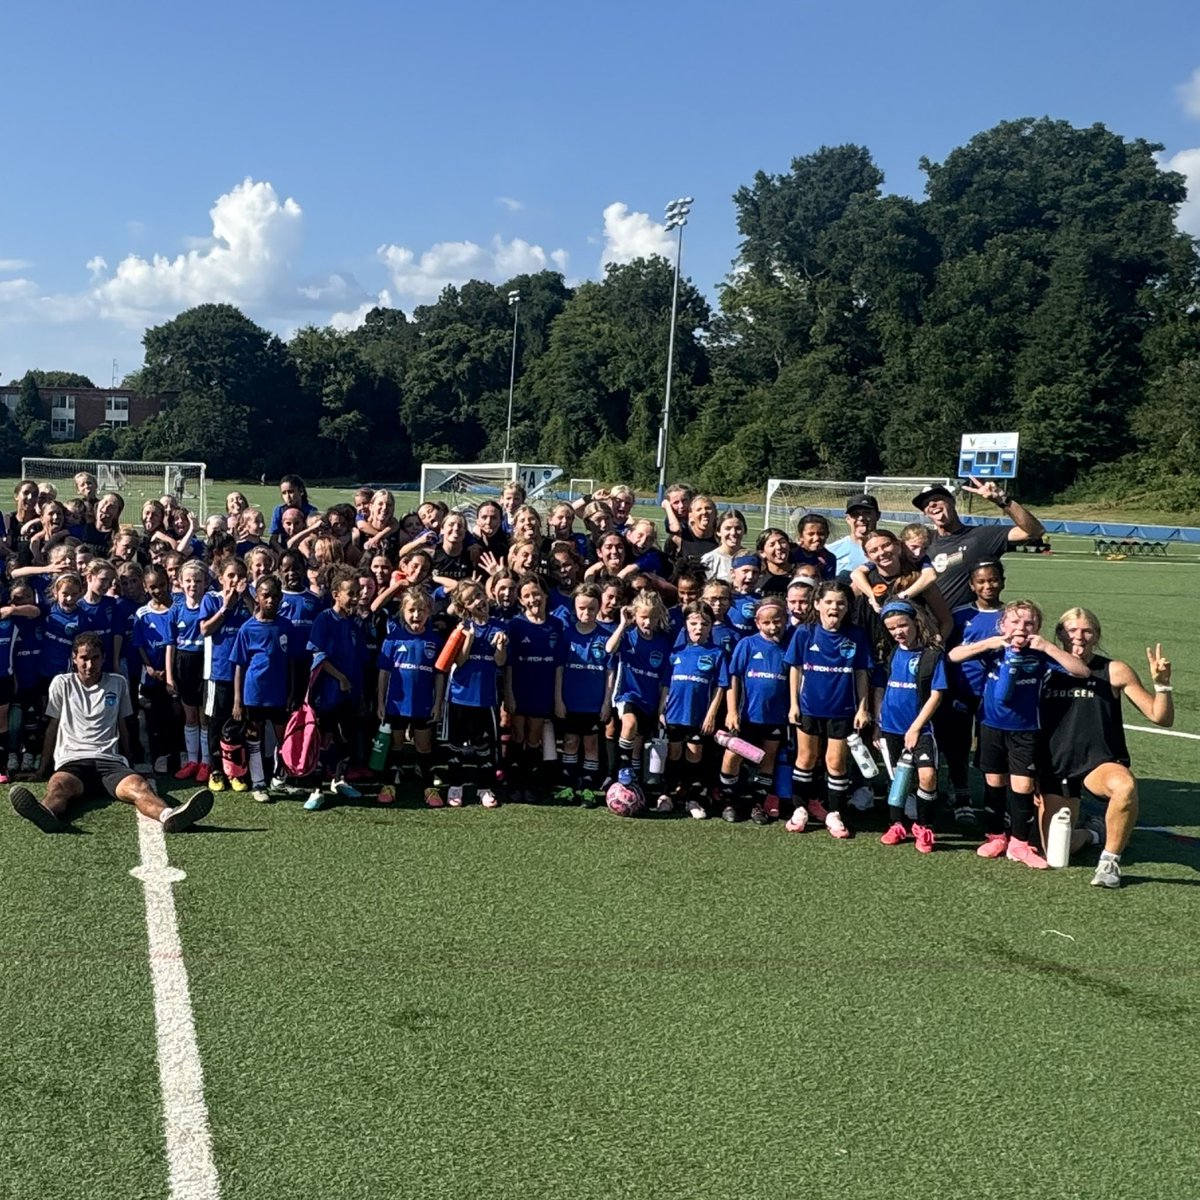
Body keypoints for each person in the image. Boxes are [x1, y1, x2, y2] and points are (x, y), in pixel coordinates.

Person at [10, 633, 212, 834]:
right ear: (74, 658)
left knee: (139, 786)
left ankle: (169, 816)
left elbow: (123, 725)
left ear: (103, 658)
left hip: (110, 763)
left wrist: (129, 760)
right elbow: (52, 727)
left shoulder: (117, 683)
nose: (90, 664)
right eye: (84, 658)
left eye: (95, 658)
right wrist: (43, 769)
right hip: (73, 762)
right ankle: (45, 813)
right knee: (58, 787)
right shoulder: (61, 683)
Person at [1038, 610, 1174, 889]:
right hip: (1053, 766)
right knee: (1058, 852)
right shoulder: (1043, 667)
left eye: (1087, 631)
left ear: (1097, 636)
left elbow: (1161, 717)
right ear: (1059, 634)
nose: (1079, 636)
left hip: (1097, 764)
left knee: (1124, 786)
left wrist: (1162, 684)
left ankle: (1110, 861)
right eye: (1071, 630)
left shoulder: (1113, 670)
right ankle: (1092, 831)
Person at [948, 599, 1088, 868]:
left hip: (1025, 730)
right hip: (991, 726)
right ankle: (996, 836)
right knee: (994, 782)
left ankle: (1020, 843)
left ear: (1037, 628)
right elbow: (953, 656)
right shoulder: (994, 650)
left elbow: (1080, 671)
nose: (1021, 628)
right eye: (1014, 622)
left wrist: (1047, 646)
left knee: (1022, 786)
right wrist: (987, 643)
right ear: (1003, 625)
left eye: (1029, 623)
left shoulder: (1040, 655)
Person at [786, 581, 873, 838]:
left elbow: (861, 674)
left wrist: (862, 708)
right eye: (829, 602)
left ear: (847, 607)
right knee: (805, 758)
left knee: (835, 762)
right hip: (809, 708)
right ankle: (800, 808)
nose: (834, 607)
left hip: (842, 709)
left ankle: (835, 813)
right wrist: (793, 703)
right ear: (817, 604)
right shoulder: (804, 632)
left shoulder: (856, 635)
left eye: (841, 603)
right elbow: (795, 668)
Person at [873, 601, 947, 853]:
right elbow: (881, 689)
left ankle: (924, 827)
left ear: (916, 622)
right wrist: (877, 723)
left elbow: (936, 695)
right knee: (899, 779)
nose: (898, 632)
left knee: (927, 776)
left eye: (902, 625)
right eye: (892, 628)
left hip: (920, 729)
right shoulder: (891, 653)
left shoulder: (932, 655)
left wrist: (916, 728)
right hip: (890, 728)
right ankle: (897, 824)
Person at [913, 479, 1044, 610]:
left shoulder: (981, 536)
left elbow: (1034, 532)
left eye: (937, 499)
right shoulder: (923, 543)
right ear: (925, 513)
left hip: (969, 625)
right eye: (926, 504)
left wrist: (1003, 501)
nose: (932, 504)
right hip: (931, 625)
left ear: (952, 501)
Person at [661, 601, 728, 818]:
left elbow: (720, 686)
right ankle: (668, 794)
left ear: (711, 626)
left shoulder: (717, 653)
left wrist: (711, 714)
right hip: (674, 712)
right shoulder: (676, 652)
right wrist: (661, 709)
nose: (699, 628)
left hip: (698, 716)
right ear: (686, 625)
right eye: (694, 623)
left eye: (704, 624)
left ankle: (693, 798)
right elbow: (666, 683)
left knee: (695, 754)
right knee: (674, 752)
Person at [825, 494, 880, 574]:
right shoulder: (831, 551)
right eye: (855, 514)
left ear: (878, 516)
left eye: (867, 513)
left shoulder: (889, 549)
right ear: (847, 518)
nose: (861, 518)